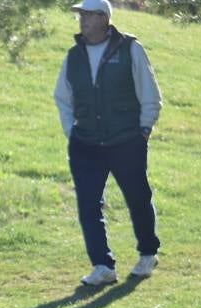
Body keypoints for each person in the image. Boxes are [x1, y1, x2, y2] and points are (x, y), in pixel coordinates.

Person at [54, 0, 163, 286]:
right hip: (85, 144)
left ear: (104, 18)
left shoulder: (130, 49)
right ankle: (103, 266)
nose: (82, 20)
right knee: (88, 205)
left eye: (87, 15)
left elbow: (149, 92)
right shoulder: (73, 55)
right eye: (80, 16)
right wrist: (72, 132)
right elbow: (62, 97)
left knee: (138, 197)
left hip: (127, 139)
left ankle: (148, 253)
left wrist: (144, 129)